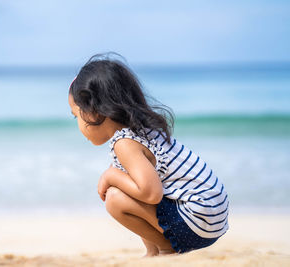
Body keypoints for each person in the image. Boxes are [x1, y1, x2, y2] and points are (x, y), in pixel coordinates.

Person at [68, 53, 229, 256]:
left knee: (115, 198)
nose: (78, 125)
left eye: (76, 116)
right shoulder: (141, 130)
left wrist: (110, 176)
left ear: (95, 111)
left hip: (197, 222)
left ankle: (165, 248)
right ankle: (153, 250)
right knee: (129, 184)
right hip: (211, 217)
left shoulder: (125, 143)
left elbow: (151, 194)